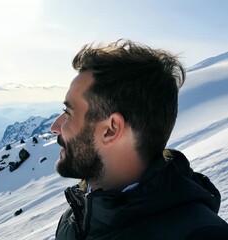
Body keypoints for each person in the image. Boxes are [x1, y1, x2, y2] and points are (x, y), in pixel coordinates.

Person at [51, 39, 228, 239]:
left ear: (110, 130)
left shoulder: (201, 235)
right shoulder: (78, 216)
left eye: (69, 113)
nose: (55, 127)